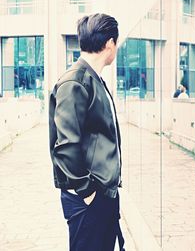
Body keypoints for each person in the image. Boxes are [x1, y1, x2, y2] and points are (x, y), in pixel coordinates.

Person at [48, 13, 125, 251]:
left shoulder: (93, 79)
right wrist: (88, 192)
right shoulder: (76, 82)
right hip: (89, 198)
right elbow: (66, 146)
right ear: (110, 44)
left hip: (102, 195)